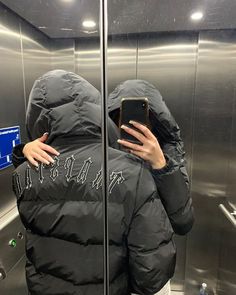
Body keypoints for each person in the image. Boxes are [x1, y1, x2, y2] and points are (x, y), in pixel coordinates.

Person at [12, 70, 176, 295]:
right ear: (96, 109)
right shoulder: (132, 172)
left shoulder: (23, 173)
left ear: (36, 116)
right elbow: (152, 273)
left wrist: (23, 150)